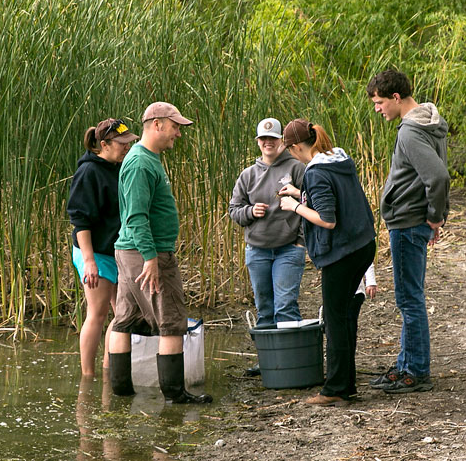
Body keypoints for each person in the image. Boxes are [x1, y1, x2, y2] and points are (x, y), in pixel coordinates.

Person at [106, 101, 212, 404]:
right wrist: (151, 258)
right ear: (157, 124)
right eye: (175, 126)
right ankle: (175, 395)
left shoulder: (147, 158)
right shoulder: (140, 162)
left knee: (125, 318)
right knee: (172, 320)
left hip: (130, 252)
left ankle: (121, 390)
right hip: (145, 254)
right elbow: (136, 217)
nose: (178, 133)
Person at [278, 119, 376, 406]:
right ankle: (346, 386)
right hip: (363, 245)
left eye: (291, 150)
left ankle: (335, 389)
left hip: (342, 254)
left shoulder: (316, 172)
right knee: (345, 316)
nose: (292, 155)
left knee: (335, 320)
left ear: (297, 146)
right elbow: (336, 198)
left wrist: (294, 206)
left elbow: (328, 220)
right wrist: (301, 193)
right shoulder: (339, 160)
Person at [365, 68, 449, 394]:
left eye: (379, 102)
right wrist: (437, 216)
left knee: (409, 300)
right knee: (409, 297)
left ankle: (415, 372)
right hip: (414, 222)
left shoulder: (410, 132)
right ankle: (404, 365)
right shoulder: (428, 123)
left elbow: (438, 177)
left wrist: (435, 217)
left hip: (407, 223)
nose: (378, 109)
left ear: (396, 98)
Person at [229, 118, 307, 376]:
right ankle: (267, 362)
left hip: (288, 248)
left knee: (285, 305)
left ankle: (290, 362)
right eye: (263, 139)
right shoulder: (247, 175)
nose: (267, 143)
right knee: (264, 308)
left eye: (273, 139)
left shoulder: (297, 168)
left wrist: (300, 242)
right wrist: (251, 211)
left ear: (282, 142)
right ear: (258, 142)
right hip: (257, 250)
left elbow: (313, 204)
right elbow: (234, 211)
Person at [67, 118, 139, 377]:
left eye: (129, 143)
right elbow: (80, 221)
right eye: (122, 144)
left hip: (115, 249)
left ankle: (110, 370)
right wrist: (89, 262)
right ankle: (87, 376)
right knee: (97, 313)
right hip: (93, 251)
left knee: (122, 313)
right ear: (104, 144)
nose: (127, 148)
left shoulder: (119, 167)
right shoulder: (89, 172)